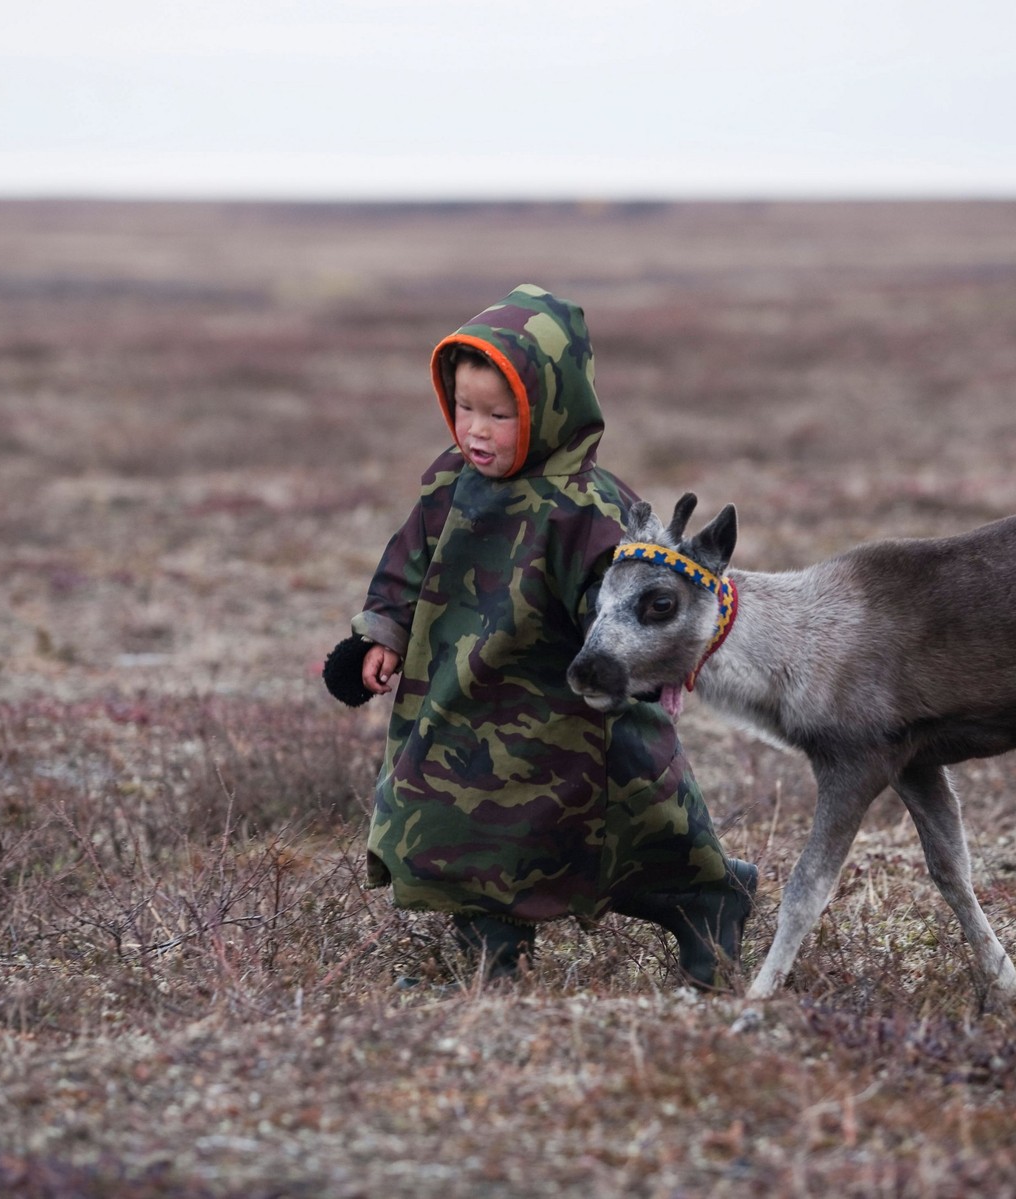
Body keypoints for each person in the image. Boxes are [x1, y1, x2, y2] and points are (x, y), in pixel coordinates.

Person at [324, 284, 756, 987]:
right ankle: (492, 962)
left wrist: (628, 656)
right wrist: (380, 635)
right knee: (452, 824)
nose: (477, 430)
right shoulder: (448, 484)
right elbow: (406, 564)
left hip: (562, 717)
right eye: (465, 408)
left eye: (500, 413)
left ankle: (708, 899)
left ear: (549, 409)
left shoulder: (585, 505)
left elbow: (618, 600)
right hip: (458, 698)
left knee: (594, 836)